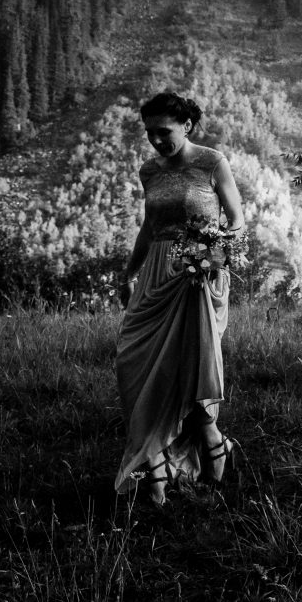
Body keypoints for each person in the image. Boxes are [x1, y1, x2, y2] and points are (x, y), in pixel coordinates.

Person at [114, 91, 245, 505]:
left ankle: (211, 446)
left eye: (163, 131)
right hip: (156, 271)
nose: (156, 140)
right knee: (132, 360)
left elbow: (237, 222)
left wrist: (213, 255)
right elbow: (149, 226)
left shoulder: (211, 162)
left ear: (186, 126)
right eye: (149, 132)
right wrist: (129, 272)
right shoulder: (149, 171)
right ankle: (154, 460)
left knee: (193, 364)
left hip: (198, 277)